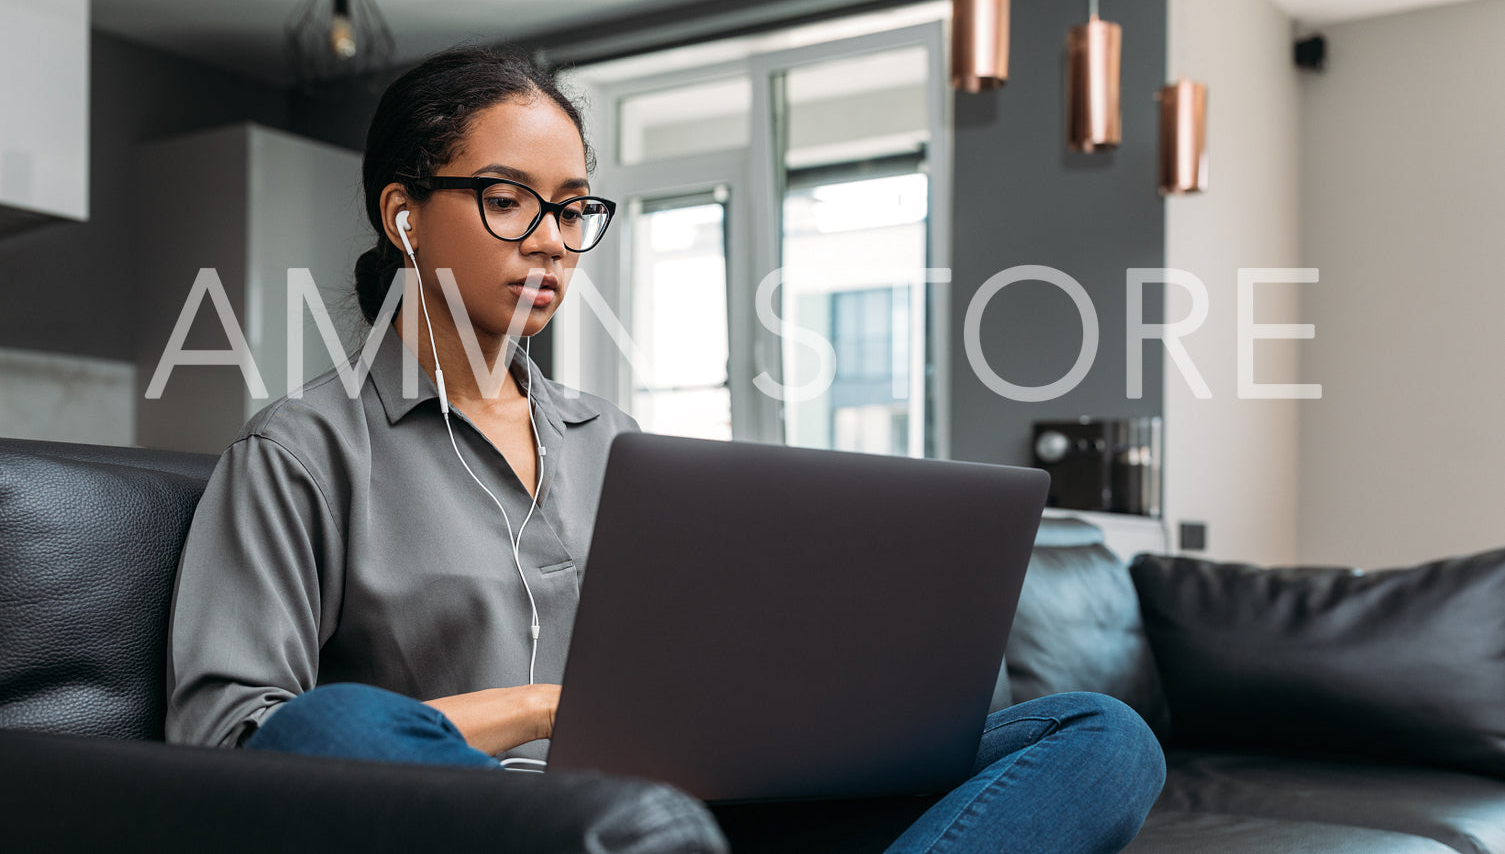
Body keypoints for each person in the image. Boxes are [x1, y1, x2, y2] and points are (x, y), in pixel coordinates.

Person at [165, 44, 1165, 853]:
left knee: (1100, 736)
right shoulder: (300, 450)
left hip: (701, 814)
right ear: (404, 215)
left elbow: (709, 669)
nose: (552, 239)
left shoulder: (618, 441)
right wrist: (539, 708)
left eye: (570, 207)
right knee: (328, 728)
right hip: (495, 823)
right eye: (508, 199)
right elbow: (233, 740)